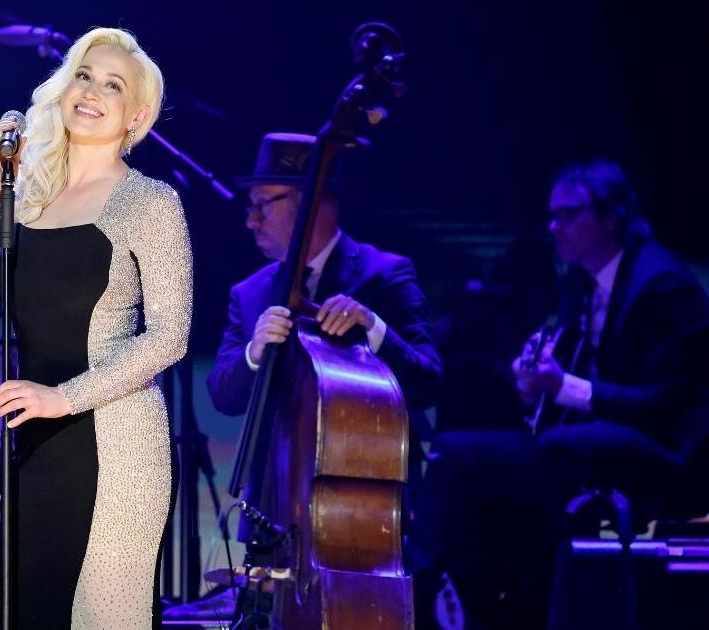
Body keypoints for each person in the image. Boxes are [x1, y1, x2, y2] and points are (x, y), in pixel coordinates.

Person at [0, 27, 191, 628]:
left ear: (136, 116)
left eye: (113, 85)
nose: (92, 91)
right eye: (84, 75)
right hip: (36, 441)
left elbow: (170, 335)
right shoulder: (26, 196)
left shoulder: (149, 202)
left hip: (117, 442)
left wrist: (61, 398)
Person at [415, 159, 709, 628]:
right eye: (552, 216)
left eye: (568, 215)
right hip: (603, 438)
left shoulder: (663, 285)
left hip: (668, 451)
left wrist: (563, 386)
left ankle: (424, 590)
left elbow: (665, 406)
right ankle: (481, 606)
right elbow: (573, 378)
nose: (554, 227)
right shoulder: (582, 282)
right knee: (476, 469)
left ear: (611, 217)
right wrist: (533, 388)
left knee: (486, 457)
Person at [206, 132, 441, 424]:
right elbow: (223, 398)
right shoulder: (248, 293)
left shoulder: (386, 274)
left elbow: (429, 385)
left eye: (262, 204)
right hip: (282, 456)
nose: (251, 221)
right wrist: (253, 355)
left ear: (311, 204)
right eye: (251, 206)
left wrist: (373, 327)